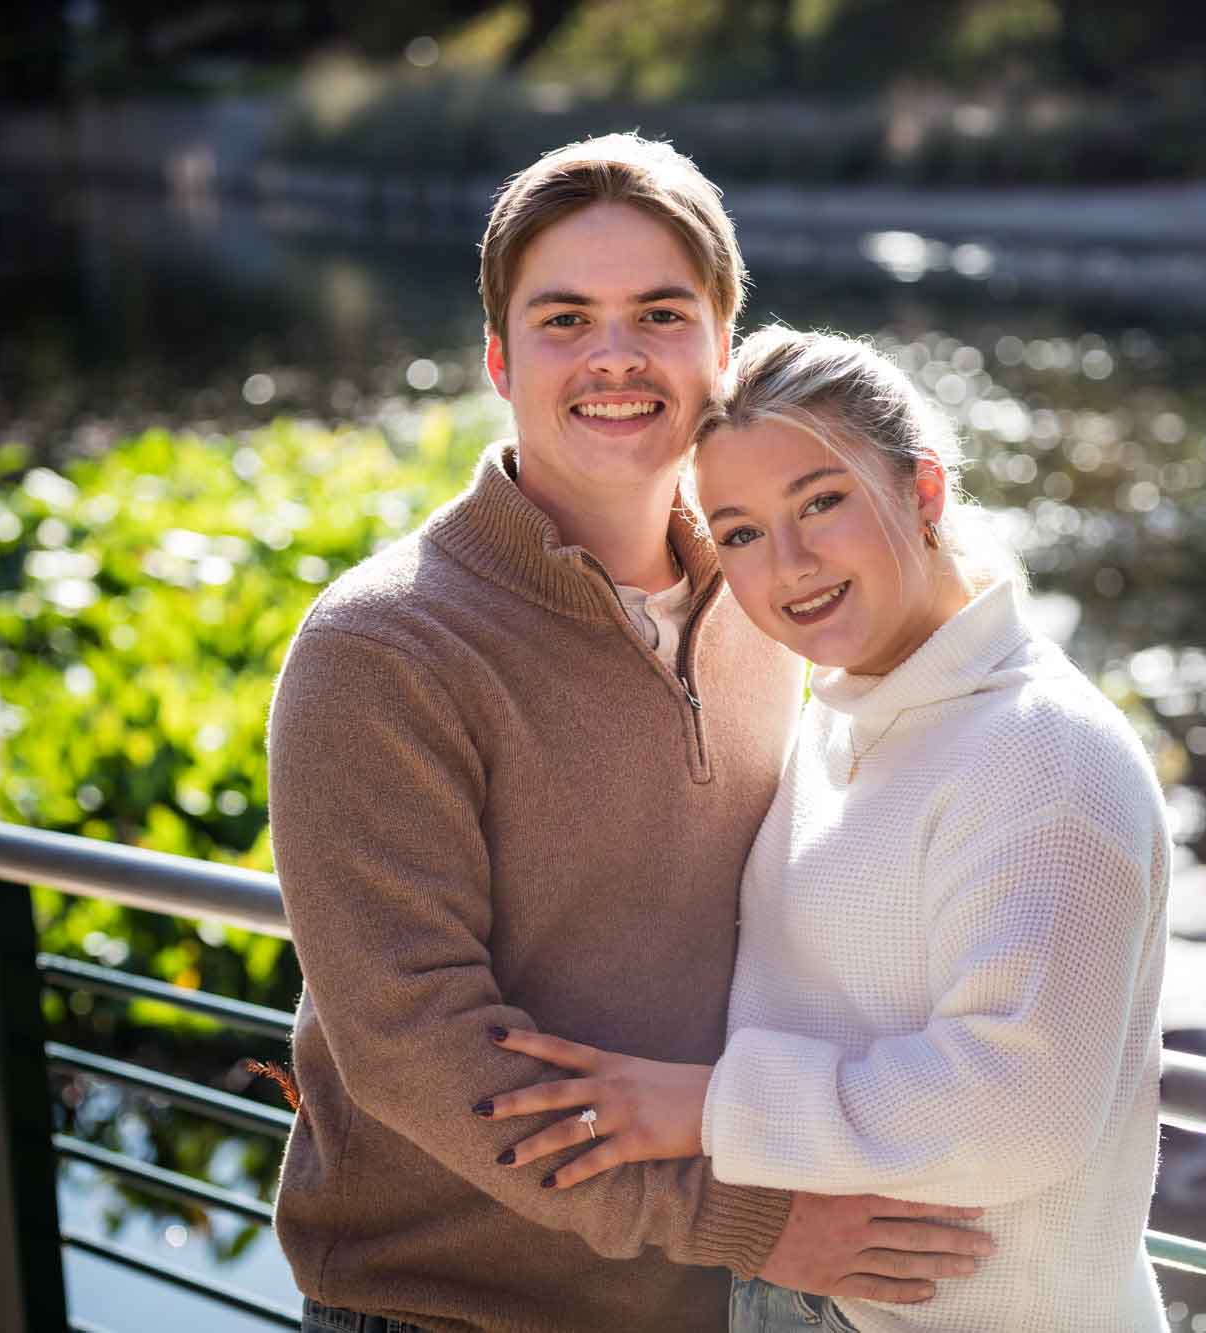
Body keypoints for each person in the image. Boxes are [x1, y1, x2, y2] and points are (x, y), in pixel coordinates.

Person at [264, 138, 992, 1333]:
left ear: (721, 350)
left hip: (707, 1307)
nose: (613, 355)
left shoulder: (765, 598)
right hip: (449, 1310)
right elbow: (416, 1047)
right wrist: (743, 1220)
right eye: (564, 319)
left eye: (659, 313)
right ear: (499, 358)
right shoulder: (379, 650)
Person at [480, 327, 1174, 1332]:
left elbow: (1021, 1105)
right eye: (743, 532)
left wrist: (705, 1107)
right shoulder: (841, 718)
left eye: (820, 501)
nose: (792, 564)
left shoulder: (1043, 756)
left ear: (922, 493)